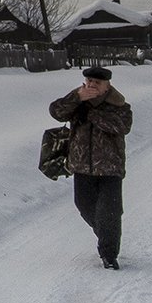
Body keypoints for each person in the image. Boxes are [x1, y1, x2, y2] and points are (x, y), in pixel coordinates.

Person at [49, 66, 133, 269]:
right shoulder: (77, 102)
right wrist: (76, 97)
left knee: (109, 211)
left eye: (97, 83)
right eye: (89, 81)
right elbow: (56, 111)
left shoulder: (119, 105)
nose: (92, 85)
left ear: (107, 86)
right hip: (81, 166)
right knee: (84, 206)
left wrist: (93, 114)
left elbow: (122, 127)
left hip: (110, 168)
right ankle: (108, 234)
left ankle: (109, 254)